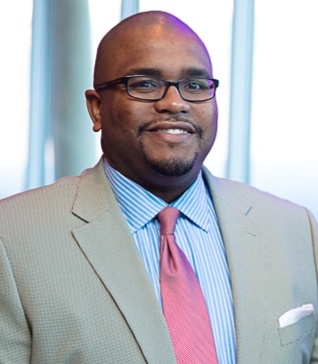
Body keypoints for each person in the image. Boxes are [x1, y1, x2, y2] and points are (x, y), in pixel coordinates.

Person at [0, 10, 317, 364]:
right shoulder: (12, 239)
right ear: (96, 109)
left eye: (195, 85)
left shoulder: (295, 228)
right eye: (145, 84)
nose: (175, 103)